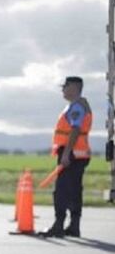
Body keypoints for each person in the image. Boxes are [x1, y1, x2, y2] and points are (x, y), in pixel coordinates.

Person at [39, 76, 93, 238]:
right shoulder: (79, 106)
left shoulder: (76, 107)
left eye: (65, 86)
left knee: (62, 191)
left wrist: (67, 153)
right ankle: (74, 226)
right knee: (75, 191)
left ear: (74, 88)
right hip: (79, 154)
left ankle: (58, 225)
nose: (63, 90)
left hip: (72, 154)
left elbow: (75, 130)